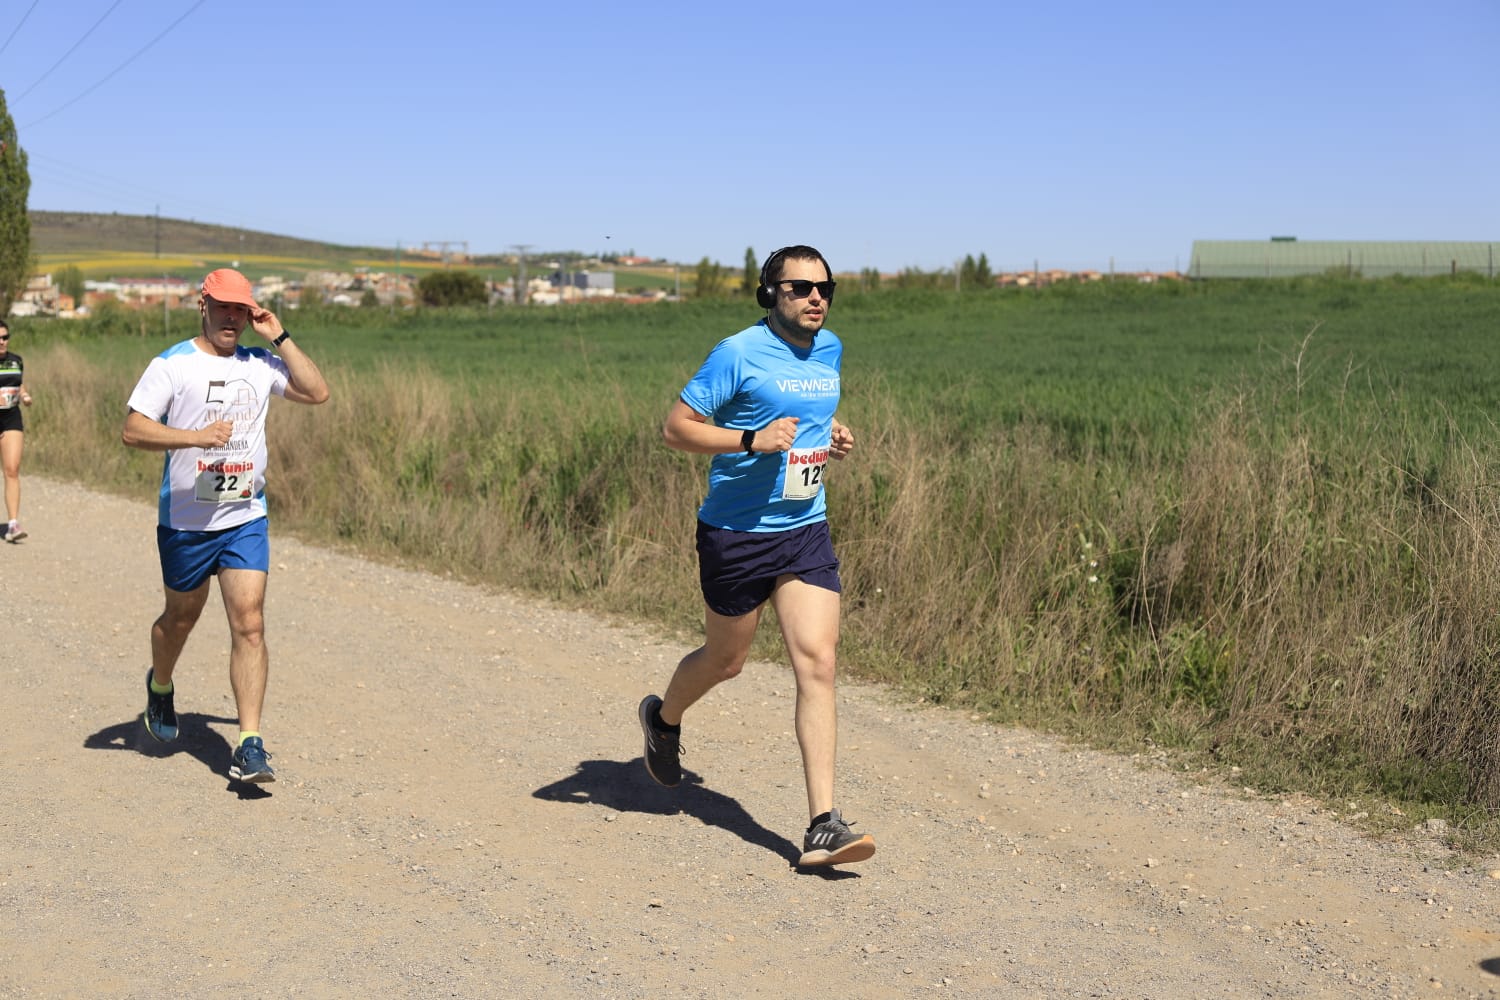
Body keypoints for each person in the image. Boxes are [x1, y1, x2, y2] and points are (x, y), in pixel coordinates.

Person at [638, 245, 875, 868]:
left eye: (825, 288)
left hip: (805, 528)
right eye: (800, 288)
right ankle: (663, 720)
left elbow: (807, 412)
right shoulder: (737, 352)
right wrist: (750, 439)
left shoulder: (829, 349)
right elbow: (676, 428)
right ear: (770, 294)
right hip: (736, 535)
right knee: (726, 661)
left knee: (818, 661)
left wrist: (832, 432)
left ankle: (823, 825)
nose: (816, 298)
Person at [122, 268, 329, 783]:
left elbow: (317, 392)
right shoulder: (173, 364)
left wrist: (278, 335)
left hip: (245, 517)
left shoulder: (260, 363)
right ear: (204, 306)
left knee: (250, 623)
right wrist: (193, 437)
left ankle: (249, 744)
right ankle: (161, 686)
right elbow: (133, 430)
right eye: (223, 307)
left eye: (241, 309)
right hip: (187, 523)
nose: (232, 318)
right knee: (180, 619)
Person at [0, 318, 35, 543]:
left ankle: (13, 524)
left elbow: (18, 383)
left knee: (12, 469)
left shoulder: (16, 361)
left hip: (10, 417)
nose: (2, 342)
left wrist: (24, 395)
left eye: (5, 337)